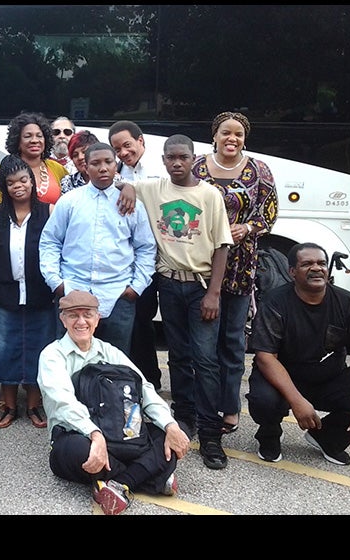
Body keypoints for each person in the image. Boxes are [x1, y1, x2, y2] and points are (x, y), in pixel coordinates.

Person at [118, 134, 233, 470]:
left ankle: (211, 433)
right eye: (171, 158)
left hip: (200, 287)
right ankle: (184, 417)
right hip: (168, 285)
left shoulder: (209, 195)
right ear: (164, 159)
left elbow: (222, 247)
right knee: (179, 356)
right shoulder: (154, 189)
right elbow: (125, 185)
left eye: (183, 157)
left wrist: (214, 293)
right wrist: (127, 187)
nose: (177, 163)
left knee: (206, 358)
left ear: (194, 158)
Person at [37, 290, 190, 515]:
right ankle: (151, 477)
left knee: (176, 431)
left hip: (119, 435)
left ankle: (119, 483)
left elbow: (144, 388)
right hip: (77, 437)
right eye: (73, 315)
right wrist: (95, 435)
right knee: (78, 452)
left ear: (97, 318)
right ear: (63, 319)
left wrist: (170, 425)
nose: (81, 321)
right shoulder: (52, 355)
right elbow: (64, 403)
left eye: (87, 314)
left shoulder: (109, 352)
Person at [246, 242, 350, 465]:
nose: (316, 268)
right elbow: (266, 358)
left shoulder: (348, 304)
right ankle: (269, 435)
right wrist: (297, 401)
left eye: (322, 263)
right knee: (263, 401)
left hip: (327, 379)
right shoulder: (275, 303)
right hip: (283, 380)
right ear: (292, 272)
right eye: (307, 264)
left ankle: (327, 438)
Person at [192, 111, 278, 434]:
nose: (232, 139)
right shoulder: (197, 167)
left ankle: (229, 408)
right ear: (214, 135)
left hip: (240, 269)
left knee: (232, 342)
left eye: (239, 134)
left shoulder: (259, 171)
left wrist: (247, 227)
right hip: (202, 268)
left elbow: (269, 214)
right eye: (226, 132)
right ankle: (203, 406)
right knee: (203, 344)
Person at [39, 142, 156, 354]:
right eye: (95, 163)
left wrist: (136, 287)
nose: (103, 168)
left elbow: (146, 248)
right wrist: (56, 283)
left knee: (114, 365)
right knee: (71, 361)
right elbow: (50, 241)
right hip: (73, 290)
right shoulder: (69, 202)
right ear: (85, 167)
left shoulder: (131, 204)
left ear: (115, 165)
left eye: (108, 162)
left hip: (118, 294)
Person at [0, 155, 55, 429]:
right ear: (4, 187)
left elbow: (56, 252)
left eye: (23, 180)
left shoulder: (49, 211)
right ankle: (9, 405)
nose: (18, 186)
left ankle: (34, 405)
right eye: (10, 183)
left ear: (32, 182)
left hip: (41, 294)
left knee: (39, 349)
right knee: (3, 349)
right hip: (4, 292)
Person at [110, 120, 164, 390]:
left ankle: (150, 380)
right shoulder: (117, 173)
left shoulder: (160, 169)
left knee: (144, 322)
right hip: (125, 261)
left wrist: (131, 187)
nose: (123, 153)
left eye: (127, 145)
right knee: (128, 324)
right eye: (117, 149)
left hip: (155, 259)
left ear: (141, 140)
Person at [0, 112, 68, 219]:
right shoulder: (4, 169)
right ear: (17, 141)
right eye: (28, 136)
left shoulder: (57, 169)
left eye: (39, 136)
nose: (34, 140)